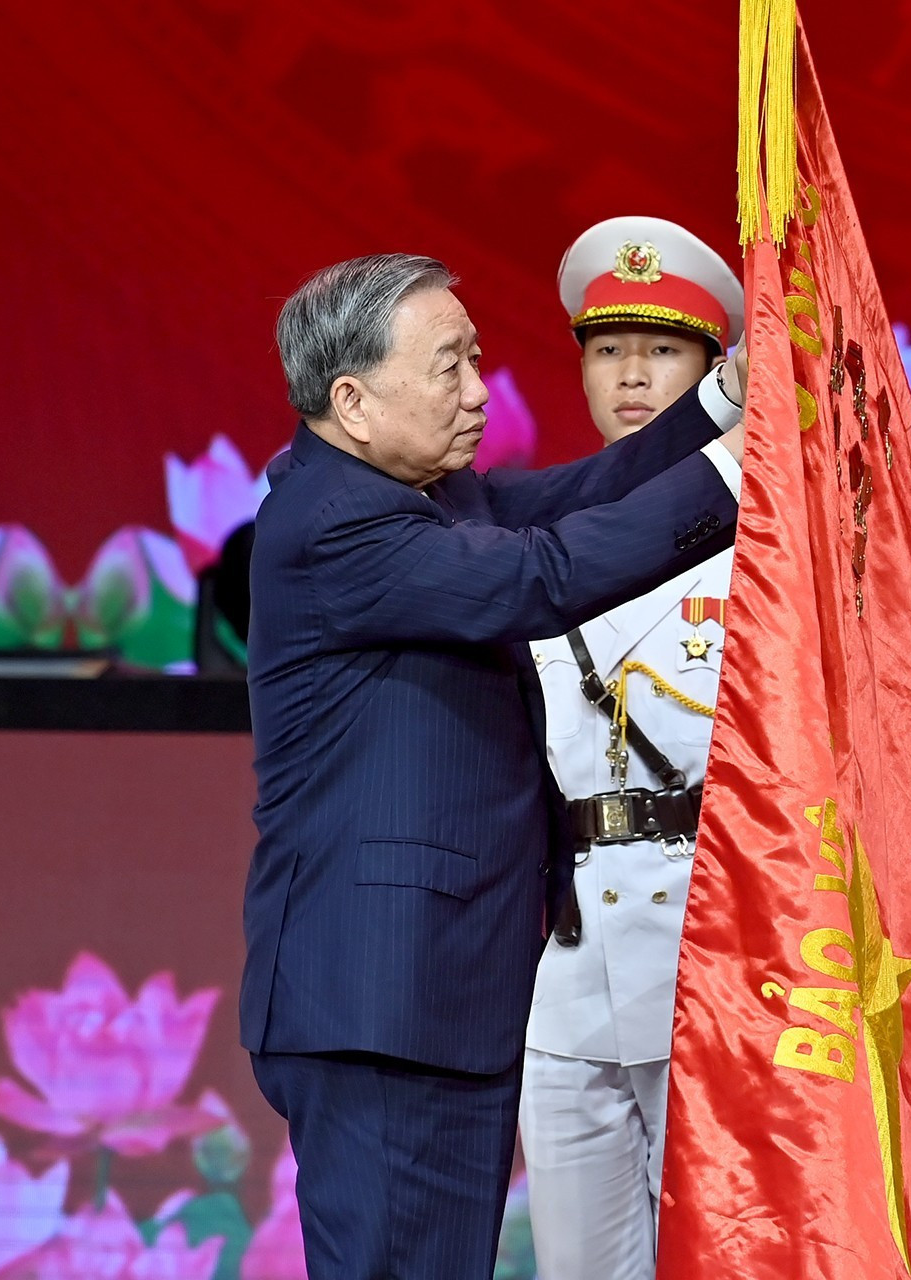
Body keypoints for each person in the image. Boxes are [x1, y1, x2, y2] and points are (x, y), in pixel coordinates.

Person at [242, 252, 748, 1279]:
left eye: (477, 360)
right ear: (353, 399)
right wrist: (747, 471)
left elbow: (584, 492)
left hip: (431, 992)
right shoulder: (337, 523)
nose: (480, 392)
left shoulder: (419, 494)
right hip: (377, 998)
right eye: (449, 368)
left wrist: (727, 403)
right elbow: (546, 572)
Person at [519, 216, 743, 1280]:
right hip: (560, 957)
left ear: (712, 370)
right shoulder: (528, 540)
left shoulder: (762, 545)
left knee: (722, 1253)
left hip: (715, 937)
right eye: (608, 350)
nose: (631, 375)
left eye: (661, 350)